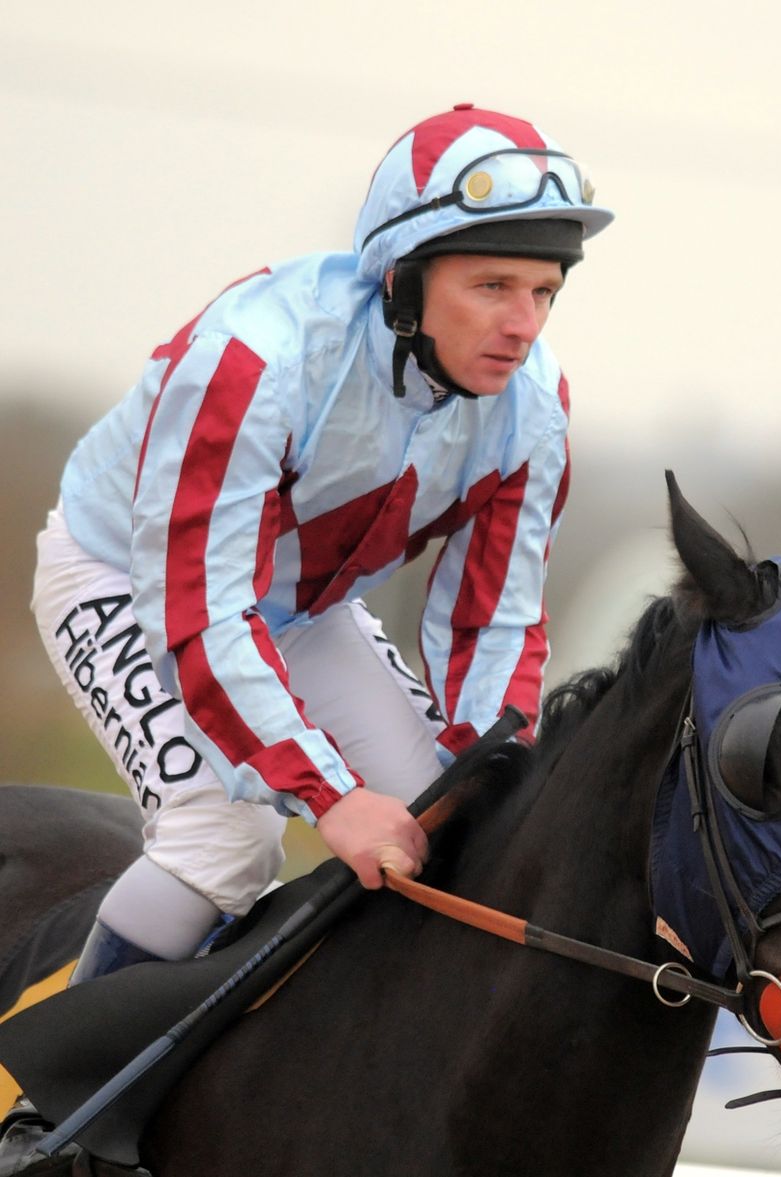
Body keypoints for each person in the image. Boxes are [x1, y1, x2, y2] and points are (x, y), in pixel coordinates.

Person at [0, 103, 611, 1171]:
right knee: (225, 839)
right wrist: (328, 796)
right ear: (402, 277)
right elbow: (200, 613)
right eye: (492, 286)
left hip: (302, 610)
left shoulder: (535, 408)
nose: (523, 324)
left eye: (544, 292)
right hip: (132, 584)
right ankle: (52, 1119)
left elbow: (491, 620)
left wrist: (485, 769)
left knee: (458, 830)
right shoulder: (254, 357)